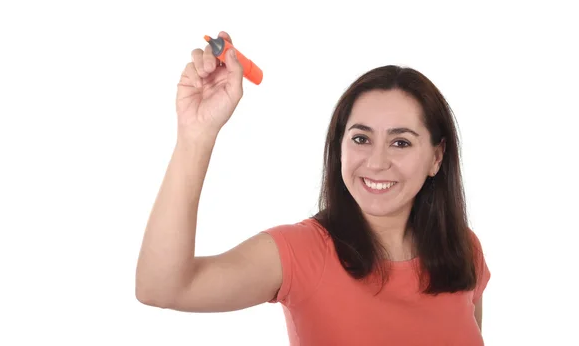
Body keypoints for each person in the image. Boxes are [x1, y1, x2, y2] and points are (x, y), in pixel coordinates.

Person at [135, 31, 491, 345]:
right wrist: (196, 135)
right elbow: (161, 287)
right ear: (340, 147)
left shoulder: (463, 248)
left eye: (401, 143)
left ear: (436, 158)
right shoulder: (302, 252)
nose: (377, 162)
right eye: (361, 138)